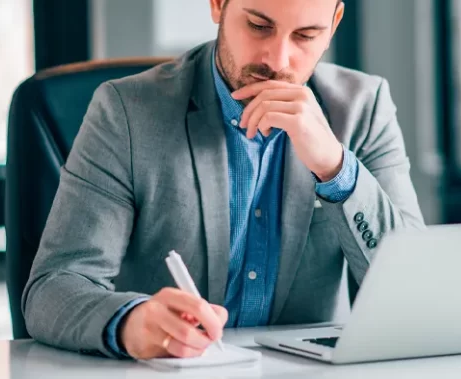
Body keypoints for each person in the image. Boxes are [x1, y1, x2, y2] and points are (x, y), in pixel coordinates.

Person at [23, 0, 425, 360]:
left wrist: (336, 170)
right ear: (218, 5)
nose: (278, 60)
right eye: (259, 26)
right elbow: (52, 289)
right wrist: (132, 323)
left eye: (305, 35)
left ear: (334, 24)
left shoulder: (364, 109)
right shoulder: (126, 112)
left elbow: (415, 293)